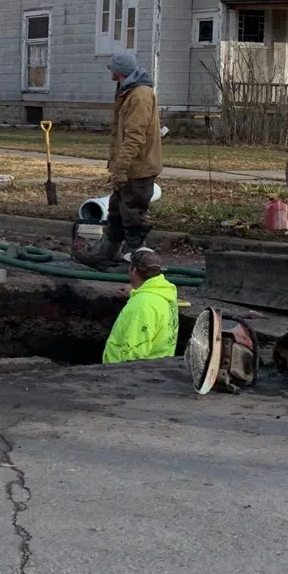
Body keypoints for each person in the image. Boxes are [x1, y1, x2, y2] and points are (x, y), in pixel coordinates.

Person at [99, 50, 163, 262]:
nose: (110, 71)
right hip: (129, 167)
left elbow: (135, 136)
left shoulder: (139, 95)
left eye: (111, 68)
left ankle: (135, 260)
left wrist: (121, 167)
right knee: (116, 211)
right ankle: (108, 254)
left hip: (138, 168)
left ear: (119, 72)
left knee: (133, 215)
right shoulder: (127, 91)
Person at [102, 249, 179, 363]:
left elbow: (133, 353)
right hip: (156, 369)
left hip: (122, 374)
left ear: (134, 271)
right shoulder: (164, 294)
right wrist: (134, 293)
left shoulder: (142, 305)